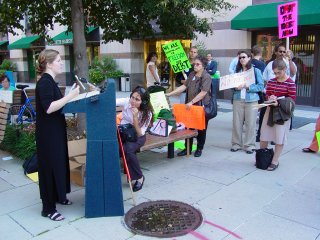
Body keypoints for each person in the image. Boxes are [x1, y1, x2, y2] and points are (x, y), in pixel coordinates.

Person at [36, 49, 80, 221]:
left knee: (58, 164)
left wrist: (71, 96)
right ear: (48, 63)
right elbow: (49, 108)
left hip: (55, 131)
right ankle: (48, 208)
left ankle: (59, 196)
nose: (62, 63)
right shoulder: (45, 82)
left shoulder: (50, 81)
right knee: (49, 168)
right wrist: (69, 96)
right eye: (59, 60)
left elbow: (56, 104)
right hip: (48, 135)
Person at [167, 56, 211, 157]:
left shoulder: (206, 76)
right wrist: (170, 94)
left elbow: (203, 92)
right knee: (188, 127)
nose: (194, 66)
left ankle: (199, 148)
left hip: (200, 106)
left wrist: (191, 102)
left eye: (197, 64)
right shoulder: (192, 74)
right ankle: (188, 148)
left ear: (203, 66)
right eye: (194, 64)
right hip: (190, 106)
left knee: (201, 128)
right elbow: (184, 86)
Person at [260, 59, 296, 171]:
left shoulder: (290, 83)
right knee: (264, 136)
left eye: (278, 73)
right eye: (274, 73)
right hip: (270, 111)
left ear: (285, 69)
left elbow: (292, 101)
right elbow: (268, 94)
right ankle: (263, 157)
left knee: (279, 138)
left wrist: (279, 102)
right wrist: (270, 98)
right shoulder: (271, 81)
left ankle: (275, 161)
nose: (276, 75)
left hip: (282, 114)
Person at [257, 44, 297, 142]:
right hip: (270, 105)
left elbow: (293, 73)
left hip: (283, 108)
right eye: (280, 51)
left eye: (284, 51)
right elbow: (265, 80)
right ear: (276, 52)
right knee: (265, 133)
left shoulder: (289, 64)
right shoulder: (270, 64)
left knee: (279, 137)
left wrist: (290, 60)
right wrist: (268, 96)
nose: (282, 53)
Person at [116, 86, 153, 192]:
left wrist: (135, 117)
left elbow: (140, 133)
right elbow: (111, 100)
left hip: (138, 136)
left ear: (144, 102)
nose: (133, 101)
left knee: (128, 150)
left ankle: (139, 177)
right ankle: (128, 173)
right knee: (116, 149)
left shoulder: (147, 113)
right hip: (124, 132)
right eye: (132, 97)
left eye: (137, 99)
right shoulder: (126, 102)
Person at [230, 50, 264, 154]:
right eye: (240, 57)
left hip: (252, 100)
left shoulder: (255, 71)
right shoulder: (236, 72)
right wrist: (235, 87)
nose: (242, 59)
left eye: (244, 57)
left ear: (249, 58)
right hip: (238, 99)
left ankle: (249, 145)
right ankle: (236, 144)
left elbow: (261, 86)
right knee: (236, 123)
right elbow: (231, 87)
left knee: (251, 123)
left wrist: (248, 87)